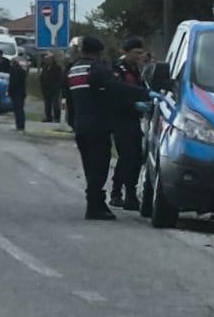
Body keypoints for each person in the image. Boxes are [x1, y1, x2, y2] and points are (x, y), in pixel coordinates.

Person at [65, 35, 152, 221]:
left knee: (90, 166)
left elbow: (69, 100)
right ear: (99, 52)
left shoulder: (73, 70)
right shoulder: (97, 69)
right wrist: (145, 94)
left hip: (81, 125)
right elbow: (116, 88)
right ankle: (95, 206)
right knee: (100, 166)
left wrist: (73, 123)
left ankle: (96, 203)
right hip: (98, 125)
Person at [109, 36, 148, 211]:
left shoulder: (137, 70)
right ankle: (117, 192)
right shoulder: (118, 69)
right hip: (120, 118)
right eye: (135, 53)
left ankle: (130, 193)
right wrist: (133, 103)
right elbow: (116, 94)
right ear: (126, 52)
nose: (138, 56)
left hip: (134, 118)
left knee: (137, 157)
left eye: (140, 53)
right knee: (127, 156)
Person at [39, 53, 64, 123]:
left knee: (55, 104)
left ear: (52, 60)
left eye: (48, 59)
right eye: (46, 59)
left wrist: (57, 86)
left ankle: (57, 117)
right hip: (46, 89)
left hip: (54, 89)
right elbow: (42, 77)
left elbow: (59, 78)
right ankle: (48, 117)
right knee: (47, 104)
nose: (47, 61)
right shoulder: (45, 67)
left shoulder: (57, 68)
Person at [8, 57, 28, 131]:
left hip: (16, 93)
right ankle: (21, 125)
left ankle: (19, 125)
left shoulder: (14, 71)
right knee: (20, 109)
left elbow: (13, 83)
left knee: (17, 110)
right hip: (21, 93)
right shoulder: (22, 71)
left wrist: (10, 91)